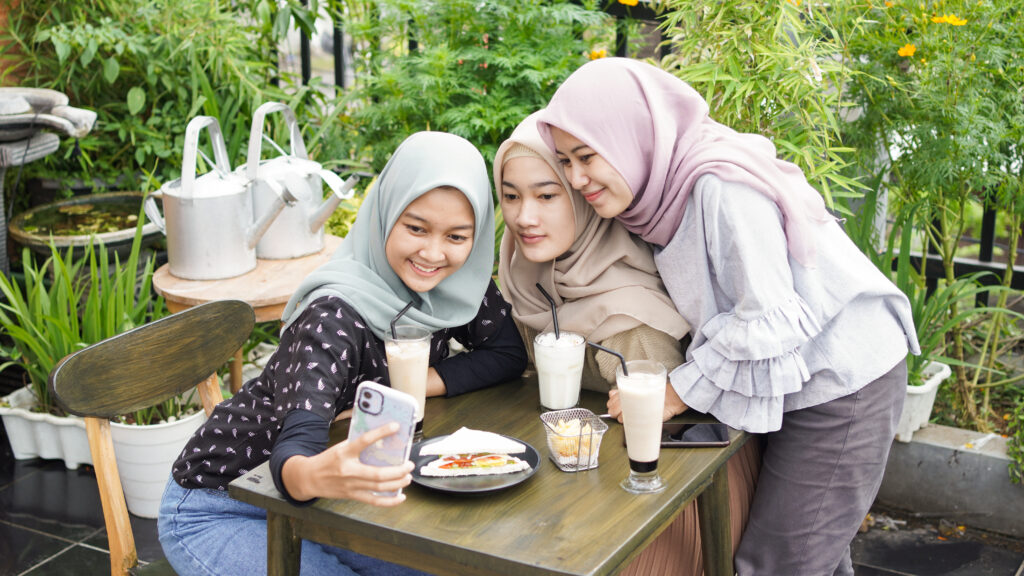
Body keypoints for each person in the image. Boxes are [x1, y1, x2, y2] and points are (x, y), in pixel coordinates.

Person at [535, 57, 920, 576]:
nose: (577, 178)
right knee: (814, 558)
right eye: (565, 162)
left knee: (779, 564)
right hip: (797, 377)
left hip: (843, 383)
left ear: (631, 134)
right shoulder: (656, 195)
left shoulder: (719, 188)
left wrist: (676, 391)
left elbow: (769, 318)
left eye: (587, 156)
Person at [158, 131, 528, 576]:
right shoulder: (332, 316)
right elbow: (295, 454)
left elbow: (507, 353)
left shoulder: (452, 286)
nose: (433, 252)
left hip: (326, 500)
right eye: (415, 228)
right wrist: (316, 474)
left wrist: (405, 385)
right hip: (224, 502)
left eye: (457, 236)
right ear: (385, 212)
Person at [495, 111, 760, 576]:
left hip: (669, 503)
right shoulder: (524, 275)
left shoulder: (632, 315)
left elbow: (661, 450)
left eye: (547, 195)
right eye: (511, 196)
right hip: (571, 476)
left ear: (582, 198)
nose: (523, 217)